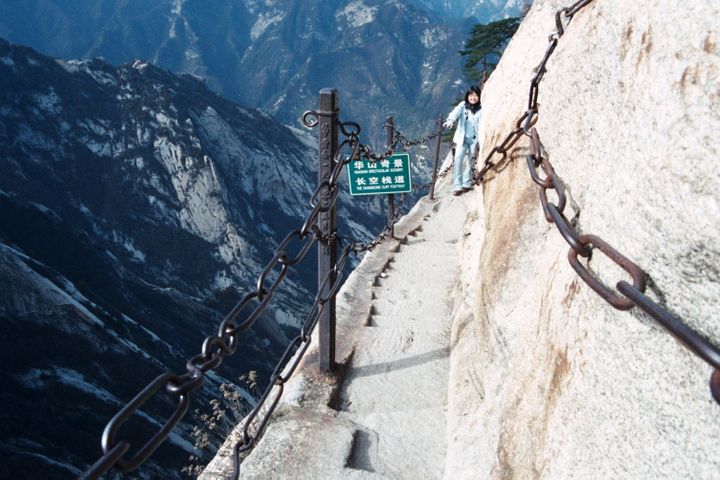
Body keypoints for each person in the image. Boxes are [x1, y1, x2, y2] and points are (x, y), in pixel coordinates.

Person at [443, 85, 483, 196]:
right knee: (458, 160)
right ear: (467, 96)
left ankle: (466, 183)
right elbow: (454, 113)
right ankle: (458, 186)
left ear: (479, 97)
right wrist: (450, 121)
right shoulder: (463, 106)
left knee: (471, 162)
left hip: (474, 140)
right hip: (462, 139)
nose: (473, 98)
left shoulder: (481, 109)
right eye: (471, 95)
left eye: (475, 95)